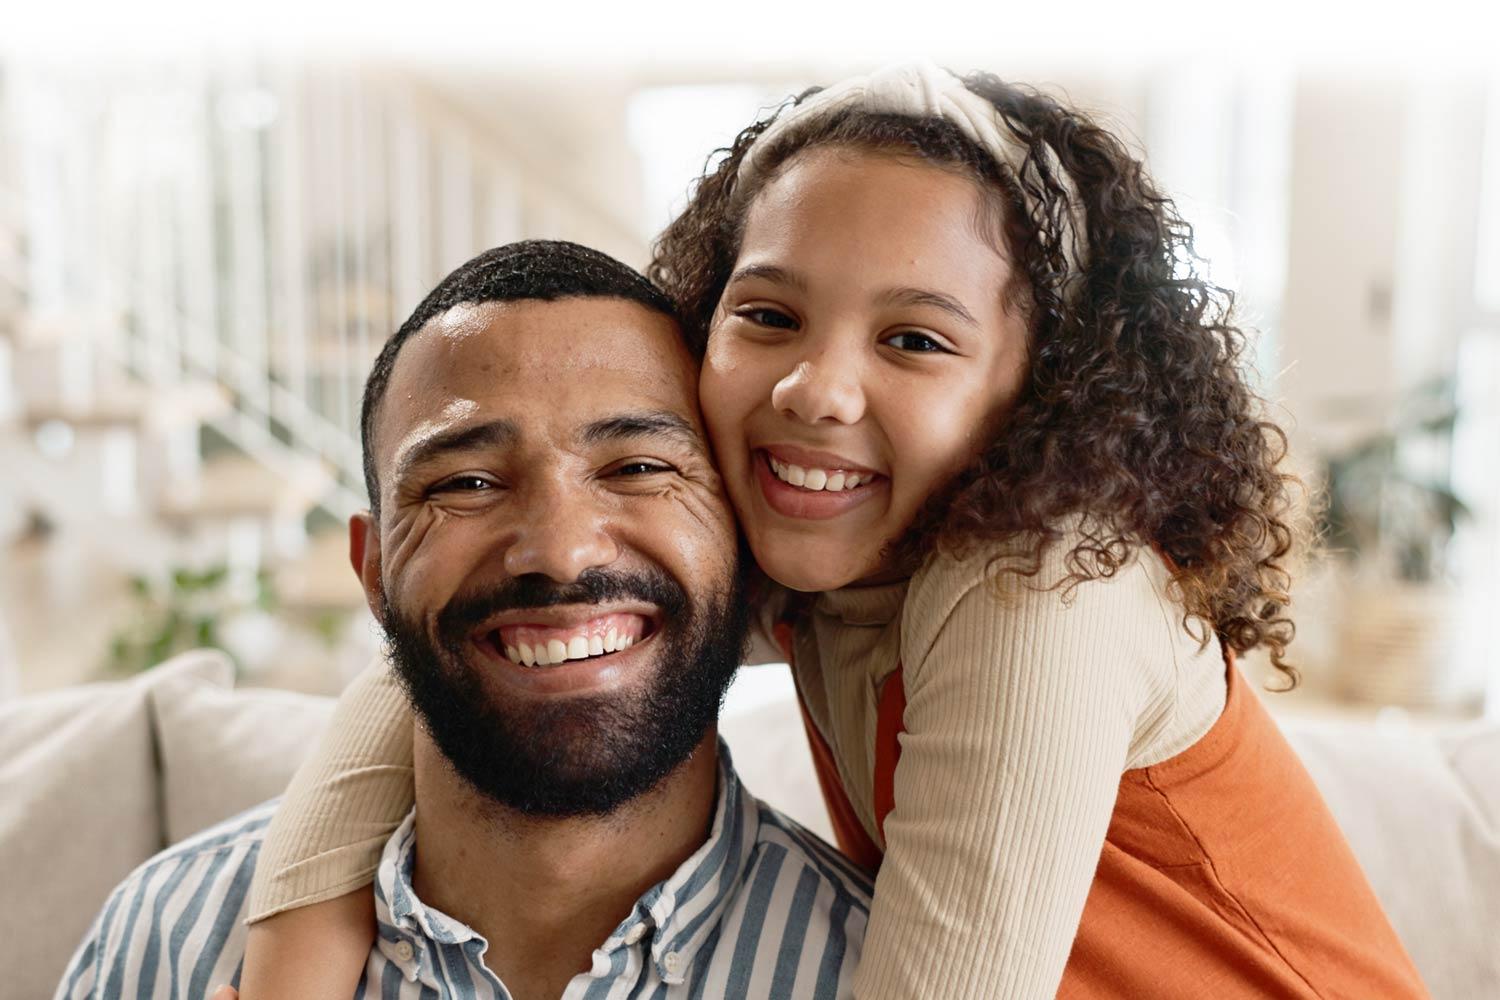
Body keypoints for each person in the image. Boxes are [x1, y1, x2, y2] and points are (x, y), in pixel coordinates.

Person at [234, 64, 1430, 998]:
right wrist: (298, 946)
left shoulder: (1041, 584)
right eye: (767, 313)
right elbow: (488, 634)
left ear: (1041, 391)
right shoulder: (845, 550)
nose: (817, 388)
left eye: (914, 339)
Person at [54, 241, 873, 1000]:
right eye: (467, 484)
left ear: (744, 545)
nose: (559, 552)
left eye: (638, 468)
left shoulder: (869, 967)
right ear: (373, 571)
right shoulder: (161, 943)